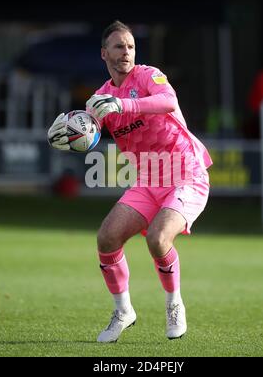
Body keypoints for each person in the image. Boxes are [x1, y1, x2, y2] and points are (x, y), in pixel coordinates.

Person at [48, 21, 213, 343]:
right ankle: (123, 311)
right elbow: (87, 132)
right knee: (107, 239)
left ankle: (174, 304)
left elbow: (168, 102)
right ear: (104, 53)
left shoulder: (148, 75)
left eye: (130, 46)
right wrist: (66, 133)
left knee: (157, 238)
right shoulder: (99, 97)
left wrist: (126, 104)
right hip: (148, 179)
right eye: (119, 46)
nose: (126, 53)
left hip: (187, 174)